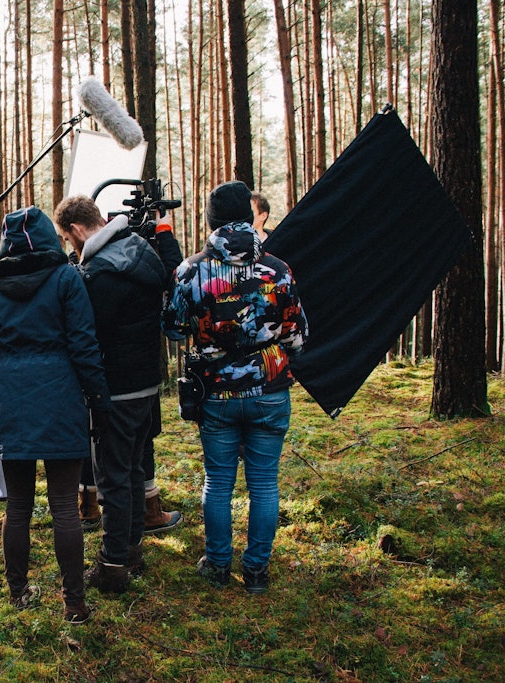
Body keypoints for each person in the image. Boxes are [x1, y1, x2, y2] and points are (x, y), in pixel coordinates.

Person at [165, 180, 307, 594]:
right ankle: (257, 571)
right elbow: (297, 337)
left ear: (211, 220)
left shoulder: (191, 270)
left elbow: (173, 330)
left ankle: (218, 564)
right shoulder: (278, 270)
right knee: (264, 483)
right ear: (249, 217)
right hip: (270, 390)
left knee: (218, 482)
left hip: (217, 394)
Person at [0, 205, 110, 624]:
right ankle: (74, 603)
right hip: (61, 398)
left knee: (18, 507)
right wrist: (99, 401)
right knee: (65, 507)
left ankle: (18, 593)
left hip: (11, 403)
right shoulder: (67, 278)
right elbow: (84, 346)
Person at [54, 195, 169, 594]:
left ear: (75, 230)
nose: (72, 249)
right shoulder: (141, 252)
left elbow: (88, 335)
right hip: (146, 382)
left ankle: (113, 564)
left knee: (114, 477)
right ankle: (132, 550)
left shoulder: (99, 274)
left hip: (116, 388)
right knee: (134, 470)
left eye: (69, 241)